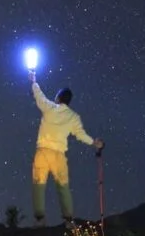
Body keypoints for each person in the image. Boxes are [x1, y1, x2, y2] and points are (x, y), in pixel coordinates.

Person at [28, 70, 103, 227]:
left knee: (39, 185)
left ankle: (40, 219)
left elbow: (39, 96)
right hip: (59, 155)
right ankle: (69, 220)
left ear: (58, 98)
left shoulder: (50, 107)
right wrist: (93, 142)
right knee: (63, 187)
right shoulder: (73, 117)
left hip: (43, 152)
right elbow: (80, 134)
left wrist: (33, 81)